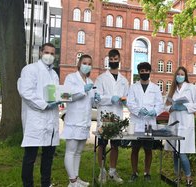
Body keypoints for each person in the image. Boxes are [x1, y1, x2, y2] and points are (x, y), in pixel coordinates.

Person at [17, 43, 60, 187]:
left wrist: (59, 100)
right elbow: (26, 92)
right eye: (47, 52)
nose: (49, 56)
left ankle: (45, 184)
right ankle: (28, 185)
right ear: (41, 52)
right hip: (35, 121)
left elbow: (55, 94)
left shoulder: (54, 74)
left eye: (52, 53)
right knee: (30, 158)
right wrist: (45, 104)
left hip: (51, 122)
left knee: (48, 158)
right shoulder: (30, 69)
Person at [61, 54, 97, 187]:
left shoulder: (90, 82)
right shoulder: (71, 78)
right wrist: (82, 89)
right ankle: (72, 181)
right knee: (70, 151)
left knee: (78, 152)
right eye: (85, 63)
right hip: (73, 121)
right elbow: (65, 96)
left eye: (89, 63)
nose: (87, 65)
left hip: (85, 121)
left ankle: (75, 178)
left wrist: (96, 98)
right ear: (79, 64)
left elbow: (90, 100)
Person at [164, 66, 196, 186]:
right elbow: (165, 106)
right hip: (174, 123)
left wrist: (186, 106)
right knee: (175, 152)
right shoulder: (172, 89)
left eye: (182, 74)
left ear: (185, 76)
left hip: (186, 124)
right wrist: (172, 107)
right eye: (178, 74)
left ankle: (188, 177)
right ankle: (177, 176)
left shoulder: (191, 88)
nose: (180, 76)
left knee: (182, 152)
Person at [94, 49, 129, 183]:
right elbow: (97, 98)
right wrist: (110, 98)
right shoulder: (101, 78)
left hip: (117, 116)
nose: (113, 61)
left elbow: (127, 98)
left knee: (115, 145)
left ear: (119, 60)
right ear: (108, 60)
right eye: (111, 59)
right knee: (102, 144)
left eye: (116, 59)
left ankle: (112, 172)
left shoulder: (124, 81)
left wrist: (124, 100)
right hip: (104, 116)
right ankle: (102, 171)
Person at [127, 62, 164, 182]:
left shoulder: (155, 88)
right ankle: (134, 172)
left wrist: (155, 111)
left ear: (149, 72)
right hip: (136, 123)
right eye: (141, 71)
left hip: (149, 124)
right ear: (139, 72)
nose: (144, 73)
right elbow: (130, 103)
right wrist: (139, 111)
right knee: (135, 150)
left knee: (148, 150)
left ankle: (147, 173)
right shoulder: (133, 87)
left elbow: (160, 104)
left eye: (146, 71)